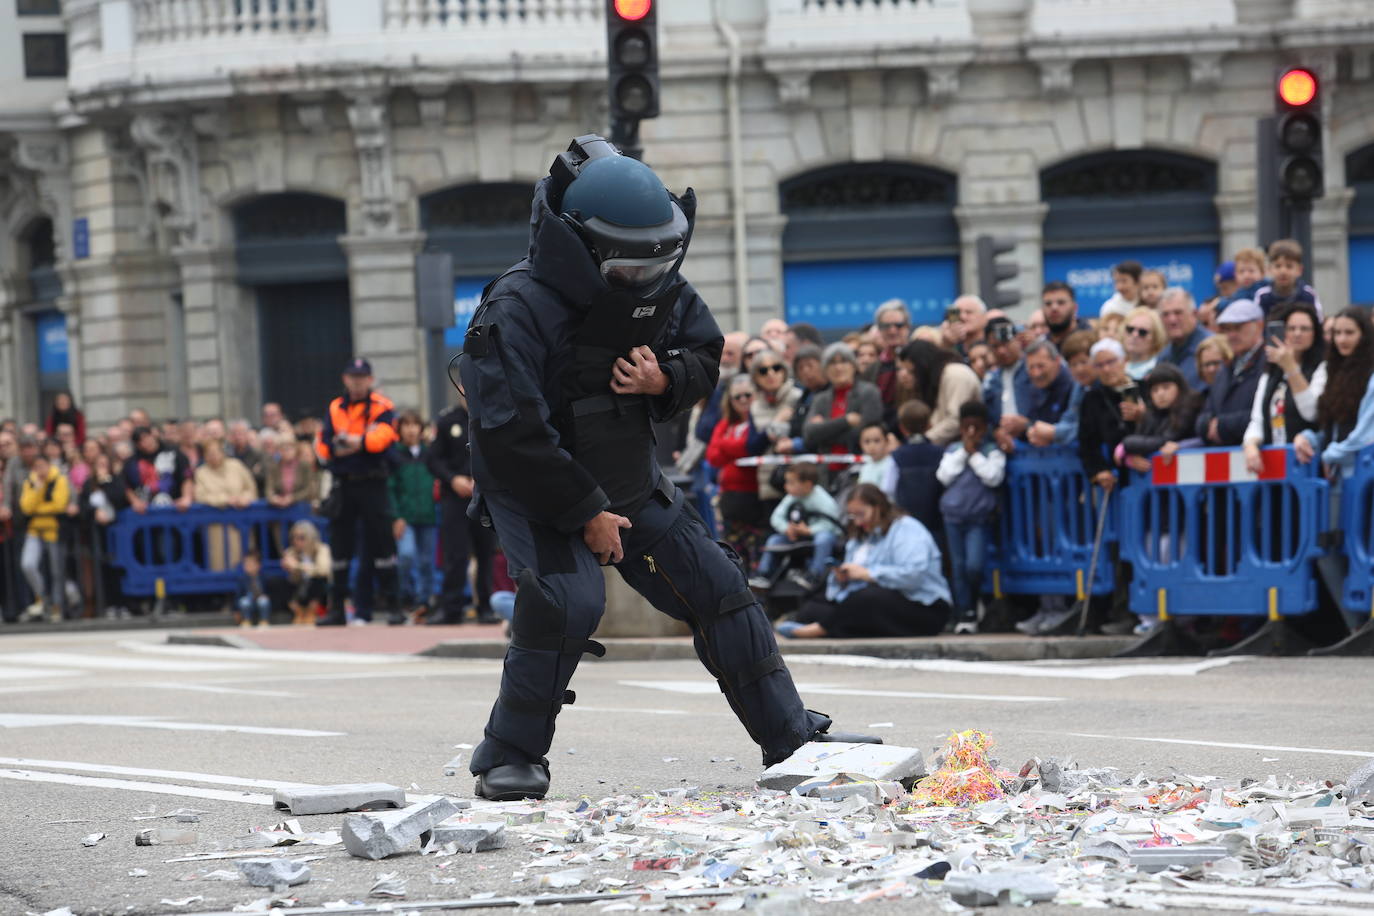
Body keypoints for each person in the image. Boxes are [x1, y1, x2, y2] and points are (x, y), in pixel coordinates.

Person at [456, 135, 875, 801]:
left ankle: (792, 739)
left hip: (629, 474)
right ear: (579, 244)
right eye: (625, 266)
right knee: (569, 601)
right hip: (540, 488)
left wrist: (666, 378)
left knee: (719, 586)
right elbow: (513, 432)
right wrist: (586, 513)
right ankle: (509, 754)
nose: (642, 279)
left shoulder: (659, 281)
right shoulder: (517, 307)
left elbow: (706, 349)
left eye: (652, 263)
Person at [777, 484, 951, 639]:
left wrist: (868, 574)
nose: (858, 522)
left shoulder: (906, 528)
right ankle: (838, 626)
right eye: (853, 516)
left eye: (861, 514)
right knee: (812, 608)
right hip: (874, 601)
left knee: (866, 599)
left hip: (922, 606)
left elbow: (913, 575)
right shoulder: (860, 536)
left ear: (879, 507)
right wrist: (843, 578)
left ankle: (819, 630)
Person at [314, 357, 402, 626]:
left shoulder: (383, 406)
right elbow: (325, 447)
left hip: (373, 483)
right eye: (353, 376)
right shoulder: (335, 407)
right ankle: (337, 609)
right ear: (345, 379)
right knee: (340, 548)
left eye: (362, 377)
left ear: (370, 380)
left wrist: (354, 442)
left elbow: (381, 441)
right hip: (345, 484)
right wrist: (361, 442)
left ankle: (394, 607)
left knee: (384, 547)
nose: (357, 381)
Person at [936, 401, 1005, 635]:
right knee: (958, 567)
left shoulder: (992, 451)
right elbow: (944, 476)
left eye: (977, 427)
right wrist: (964, 452)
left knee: (974, 566)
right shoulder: (953, 450)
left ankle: (977, 602)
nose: (972, 433)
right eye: (967, 427)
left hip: (978, 517)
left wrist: (975, 455)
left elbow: (993, 477)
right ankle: (964, 612)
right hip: (953, 517)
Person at [427, 396, 497, 625]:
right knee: (455, 555)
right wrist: (452, 478)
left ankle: (485, 607)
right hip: (455, 498)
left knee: (485, 554)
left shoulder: (492, 416)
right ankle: (451, 609)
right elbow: (433, 459)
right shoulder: (448, 421)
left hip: (485, 496)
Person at [1242, 302, 1326, 469]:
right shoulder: (1270, 372)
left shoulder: (1323, 367)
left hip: (1305, 463)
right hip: (1273, 463)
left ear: (1315, 333)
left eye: (1304, 329)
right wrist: (1250, 445)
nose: (1297, 333)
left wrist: (1291, 367)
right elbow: (1257, 419)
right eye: (1291, 328)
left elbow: (1311, 412)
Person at [1297, 307, 1374, 479]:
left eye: (1349, 332)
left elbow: (1365, 434)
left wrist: (1328, 455)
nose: (1341, 339)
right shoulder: (1334, 371)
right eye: (1337, 333)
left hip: (1364, 475)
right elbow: (1333, 427)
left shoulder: (1371, 375)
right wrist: (1309, 438)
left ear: (1364, 335)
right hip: (1339, 476)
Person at [749, 462, 842, 592]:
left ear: (807, 485)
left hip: (818, 535)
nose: (786, 486)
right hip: (797, 536)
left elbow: (832, 524)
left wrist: (810, 530)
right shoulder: (791, 497)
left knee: (824, 538)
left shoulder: (822, 500)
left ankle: (815, 574)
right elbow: (776, 517)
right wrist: (787, 529)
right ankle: (764, 574)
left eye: (791, 483)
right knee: (774, 540)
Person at [708, 374, 767, 566]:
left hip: (754, 498)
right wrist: (735, 449)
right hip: (729, 500)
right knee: (733, 557)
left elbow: (749, 447)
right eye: (737, 397)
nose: (743, 400)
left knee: (756, 554)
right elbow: (713, 456)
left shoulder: (758, 422)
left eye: (747, 395)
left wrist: (727, 447)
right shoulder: (726, 424)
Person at [389, 410, 440, 622]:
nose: (411, 429)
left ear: (421, 428)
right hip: (405, 517)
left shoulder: (429, 454)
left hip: (427, 515)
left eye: (415, 425)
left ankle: (424, 602)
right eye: (406, 425)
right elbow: (391, 488)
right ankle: (403, 598)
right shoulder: (394, 454)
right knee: (406, 556)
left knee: (427, 561)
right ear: (399, 429)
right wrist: (396, 516)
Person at [1196, 299, 1268, 446]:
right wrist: (1206, 425)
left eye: (1238, 327)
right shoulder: (1226, 368)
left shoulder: (1270, 363)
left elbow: (1267, 415)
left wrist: (1223, 426)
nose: (1231, 335)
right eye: (1227, 329)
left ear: (1259, 325)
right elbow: (1207, 411)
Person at [801, 343, 883, 461]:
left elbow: (864, 434)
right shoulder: (821, 399)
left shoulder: (869, 392)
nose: (838, 367)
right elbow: (808, 435)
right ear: (825, 370)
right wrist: (846, 421)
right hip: (827, 470)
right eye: (832, 363)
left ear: (854, 366)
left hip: (859, 467)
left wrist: (824, 429)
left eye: (844, 361)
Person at [1079, 338, 1140, 492]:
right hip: (1116, 478)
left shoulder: (1143, 388)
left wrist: (1142, 416)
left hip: (1146, 468)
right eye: (1099, 365)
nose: (1106, 369)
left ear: (1124, 361)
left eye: (1111, 362)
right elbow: (1087, 443)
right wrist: (1099, 471)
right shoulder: (1092, 398)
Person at [995, 339, 1076, 451]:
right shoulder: (1033, 386)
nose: (1036, 373)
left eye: (1041, 366)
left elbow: (1070, 428)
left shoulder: (1073, 385)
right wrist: (1011, 431)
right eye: (1031, 367)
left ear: (1057, 361)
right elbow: (1034, 426)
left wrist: (1027, 425)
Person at [897, 340, 982, 446]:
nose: (903, 375)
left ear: (923, 366)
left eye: (911, 371)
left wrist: (922, 441)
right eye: (901, 369)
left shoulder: (955, 375)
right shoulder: (934, 379)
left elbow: (955, 420)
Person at [194, 437, 258, 572]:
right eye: (209, 453)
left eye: (216, 452)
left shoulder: (236, 465)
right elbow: (201, 496)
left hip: (241, 520)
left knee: (245, 559)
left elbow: (250, 487)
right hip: (216, 525)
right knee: (219, 560)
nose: (213, 456)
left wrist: (244, 499)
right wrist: (225, 500)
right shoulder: (201, 472)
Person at [748, 350, 801, 511]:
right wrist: (776, 423)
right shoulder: (755, 406)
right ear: (756, 378)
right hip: (769, 484)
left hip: (800, 481)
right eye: (763, 371)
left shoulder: (798, 397)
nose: (770, 374)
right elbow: (752, 447)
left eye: (776, 368)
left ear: (784, 371)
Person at [18, 454, 69, 622]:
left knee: (56, 571)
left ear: (48, 465)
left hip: (54, 529)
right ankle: (42, 598)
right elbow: (26, 507)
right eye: (37, 467)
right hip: (34, 530)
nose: (40, 470)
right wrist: (38, 489)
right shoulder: (31, 482)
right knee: (28, 564)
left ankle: (57, 606)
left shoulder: (58, 479)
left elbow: (59, 505)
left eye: (43, 466)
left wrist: (38, 509)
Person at [887, 399, 945, 545]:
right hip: (935, 520)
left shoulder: (897, 456)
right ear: (929, 425)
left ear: (902, 428)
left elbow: (888, 488)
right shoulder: (940, 453)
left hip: (907, 522)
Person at [79, 449, 127, 619]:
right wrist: (94, 512)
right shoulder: (88, 483)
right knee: (102, 569)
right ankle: (107, 604)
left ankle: (122, 604)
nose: (102, 468)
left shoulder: (115, 481)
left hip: (115, 531)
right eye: (99, 465)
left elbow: (119, 498)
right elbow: (83, 505)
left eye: (105, 465)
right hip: (97, 533)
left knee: (118, 568)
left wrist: (105, 482)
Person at [123, 426, 194, 513]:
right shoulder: (131, 462)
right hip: (146, 512)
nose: (144, 443)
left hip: (175, 507)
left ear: (152, 435)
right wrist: (135, 501)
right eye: (140, 441)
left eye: (146, 437)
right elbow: (126, 485)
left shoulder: (174, 452)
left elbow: (187, 476)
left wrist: (186, 497)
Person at [1158, 288, 1213, 391]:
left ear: (1194, 314)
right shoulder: (1163, 356)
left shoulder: (1212, 348)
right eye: (1165, 314)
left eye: (1178, 312)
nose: (1172, 320)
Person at [279, 519, 332, 626]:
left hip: (319, 589)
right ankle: (299, 612)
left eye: (301, 538)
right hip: (301, 588)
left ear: (311, 537)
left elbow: (323, 570)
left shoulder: (322, 549)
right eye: (294, 537)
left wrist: (298, 566)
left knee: (317, 580)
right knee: (278, 582)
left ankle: (311, 612)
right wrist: (290, 569)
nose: (296, 541)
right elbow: (293, 580)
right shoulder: (292, 552)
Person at [1255, 238, 1323, 318]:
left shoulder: (1309, 295)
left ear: (1299, 270)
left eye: (1289, 266)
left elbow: (1318, 323)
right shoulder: (1262, 296)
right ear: (1269, 269)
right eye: (1278, 266)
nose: (1283, 271)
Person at [872, 300, 912, 405]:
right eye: (886, 326)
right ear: (879, 329)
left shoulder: (919, 359)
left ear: (908, 327)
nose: (892, 331)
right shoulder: (873, 367)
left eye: (898, 325)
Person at [266, 437, 318, 508]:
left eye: (289, 448)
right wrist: (273, 498)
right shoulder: (274, 467)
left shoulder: (304, 466)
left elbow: (309, 489)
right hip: (279, 507)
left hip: (301, 506)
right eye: (283, 449)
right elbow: (269, 488)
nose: (286, 451)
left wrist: (293, 498)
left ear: (295, 449)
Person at [1042, 281, 1092, 351]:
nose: (1054, 308)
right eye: (1048, 304)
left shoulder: (1092, 343)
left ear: (1075, 308)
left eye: (1061, 302)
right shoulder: (1040, 346)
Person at [1123, 306, 1166, 380]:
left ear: (1155, 338)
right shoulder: (1116, 368)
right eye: (1130, 329)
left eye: (1142, 332)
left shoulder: (1160, 370)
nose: (1134, 335)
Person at [856, 421, 895, 495]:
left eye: (877, 441)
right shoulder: (865, 467)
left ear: (887, 441)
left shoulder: (891, 465)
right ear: (860, 444)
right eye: (867, 442)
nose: (872, 446)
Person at [234, 550, 271, 628]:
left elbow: (269, 592)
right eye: (246, 564)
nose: (248, 566)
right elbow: (238, 595)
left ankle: (264, 620)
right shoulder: (242, 579)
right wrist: (236, 610)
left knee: (264, 601)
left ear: (258, 565)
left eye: (251, 564)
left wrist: (266, 596)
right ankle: (246, 620)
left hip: (260, 600)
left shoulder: (264, 577)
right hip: (249, 600)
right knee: (244, 602)